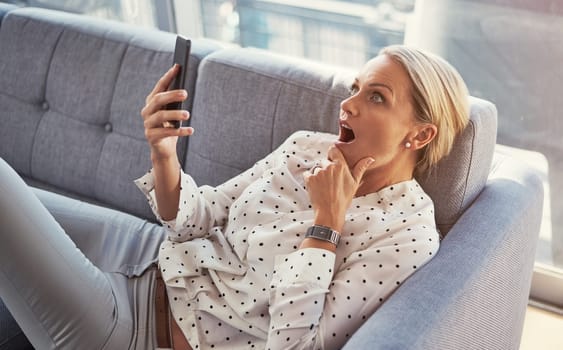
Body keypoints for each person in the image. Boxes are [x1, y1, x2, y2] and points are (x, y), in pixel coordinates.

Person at [0, 45, 468, 350]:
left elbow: (294, 345)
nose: (348, 105)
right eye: (355, 89)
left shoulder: (405, 235)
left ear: (420, 135)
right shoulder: (306, 146)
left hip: (139, 332)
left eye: (378, 98)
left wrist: (325, 227)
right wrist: (164, 155)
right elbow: (198, 219)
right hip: (144, 254)